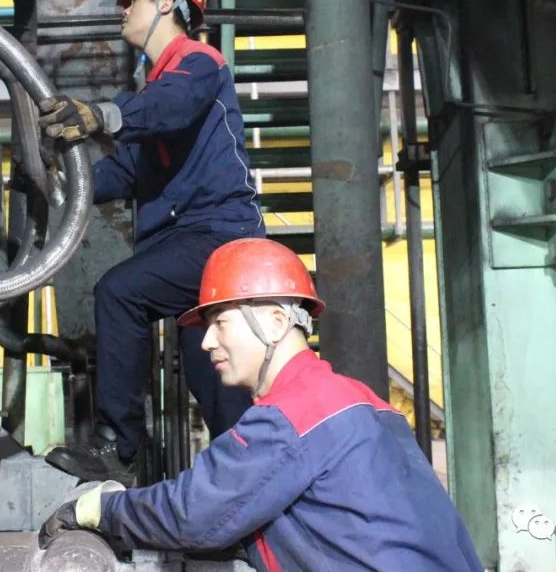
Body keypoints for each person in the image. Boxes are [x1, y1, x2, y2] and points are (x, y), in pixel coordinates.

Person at [39, 238, 484, 571]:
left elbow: (194, 513)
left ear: (275, 321)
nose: (207, 342)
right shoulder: (363, 401)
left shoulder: (294, 414)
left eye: (220, 323)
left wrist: (100, 509)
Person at [37, 0, 265, 485]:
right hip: (189, 244)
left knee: (120, 292)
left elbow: (173, 108)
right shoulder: (151, 89)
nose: (124, 9)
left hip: (220, 237)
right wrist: (58, 184)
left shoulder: (197, 63)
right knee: (214, 376)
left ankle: (119, 449)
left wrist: (100, 116)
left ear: (167, 4)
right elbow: (128, 172)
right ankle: (251, 482)